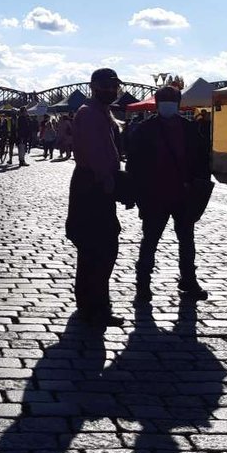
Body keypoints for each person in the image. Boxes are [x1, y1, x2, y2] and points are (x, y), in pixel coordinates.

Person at [127, 86, 212, 304]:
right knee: (151, 241)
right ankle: (143, 285)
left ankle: (188, 280)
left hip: (183, 194)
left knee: (186, 240)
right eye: (165, 100)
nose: (168, 105)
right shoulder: (145, 129)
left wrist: (198, 184)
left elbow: (202, 159)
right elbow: (135, 164)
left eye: (171, 101)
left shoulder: (189, 128)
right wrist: (138, 193)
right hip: (155, 195)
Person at [66, 68, 126, 326]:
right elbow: (96, 153)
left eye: (114, 86)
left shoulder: (99, 112)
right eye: (106, 86)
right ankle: (96, 306)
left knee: (94, 248)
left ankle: (89, 303)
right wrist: (110, 181)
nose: (112, 91)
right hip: (93, 184)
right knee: (102, 248)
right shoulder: (90, 114)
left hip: (93, 183)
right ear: (94, 86)